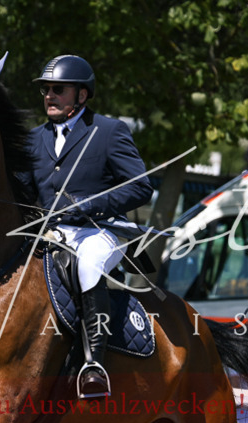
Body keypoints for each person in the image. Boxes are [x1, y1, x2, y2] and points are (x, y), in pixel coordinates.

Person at [27, 54, 153, 399]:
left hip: (98, 230)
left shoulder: (109, 132)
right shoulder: (33, 139)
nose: (49, 95)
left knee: (89, 263)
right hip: (49, 230)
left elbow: (142, 186)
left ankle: (93, 364)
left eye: (58, 90)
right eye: (46, 90)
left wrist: (89, 206)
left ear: (81, 96)